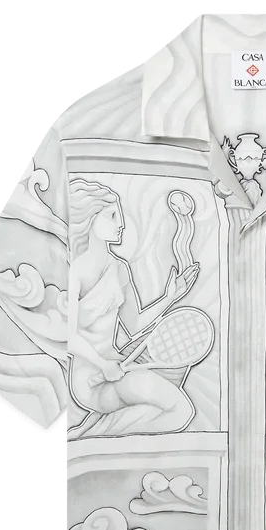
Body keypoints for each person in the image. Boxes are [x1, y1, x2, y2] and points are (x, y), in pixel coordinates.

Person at [67, 179, 200, 437]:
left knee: (177, 410)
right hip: (90, 380)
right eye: (112, 216)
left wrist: (170, 297)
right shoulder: (75, 272)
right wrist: (103, 365)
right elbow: (69, 337)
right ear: (90, 219)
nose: (121, 224)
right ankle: (93, 435)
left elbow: (134, 324)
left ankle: (95, 430)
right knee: (180, 410)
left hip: (119, 367)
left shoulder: (120, 267)